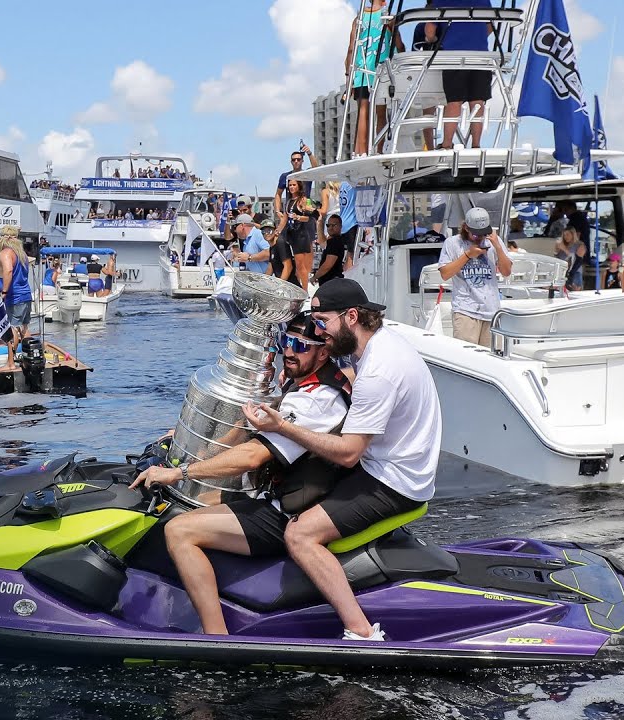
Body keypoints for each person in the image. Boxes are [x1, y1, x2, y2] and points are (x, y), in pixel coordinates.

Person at [243, 279, 442, 641]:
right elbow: (353, 377)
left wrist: (283, 426)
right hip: (398, 464)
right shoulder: (379, 344)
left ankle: (360, 630)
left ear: (351, 316)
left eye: (323, 322)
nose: (320, 333)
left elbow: (350, 454)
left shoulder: (379, 370)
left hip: (393, 481)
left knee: (300, 534)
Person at [132, 313, 352, 635]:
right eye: (285, 342)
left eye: (300, 345)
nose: (288, 352)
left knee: (179, 531)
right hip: (276, 496)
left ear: (322, 352)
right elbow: (241, 433)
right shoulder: (300, 383)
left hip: (288, 513)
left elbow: (252, 456)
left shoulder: (319, 399)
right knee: (193, 504)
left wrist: (180, 472)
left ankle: (216, 636)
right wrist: (184, 445)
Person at [438, 207, 511, 345]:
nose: (480, 238)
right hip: (465, 311)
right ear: (466, 228)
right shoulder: (453, 243)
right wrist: (467, 255)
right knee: (466, 358)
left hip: (492, 311)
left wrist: (498, 247)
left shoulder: (494, 241)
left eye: (484, 234)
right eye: (476, 235)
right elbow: (445, 274)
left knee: (491, 359)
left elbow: (506, 272)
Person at [430, 0, 494, 148]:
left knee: (454, 101)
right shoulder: (484, 1)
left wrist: (434, 40)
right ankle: (476, 145)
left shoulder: (439, 1)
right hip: (479, 54)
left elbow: (429, 30)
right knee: (477, 101)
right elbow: (490, 26)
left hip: (453, 55)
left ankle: (446, 145)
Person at [344, 0, 403, 156]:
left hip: (361, 70)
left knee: (363, 111)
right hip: (381, 69)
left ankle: (360, 151)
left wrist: (348, 77)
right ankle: (379, 150)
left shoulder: (358, 19)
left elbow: (351, 49)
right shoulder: (388, 17)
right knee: (380, 113)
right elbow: (399, 44)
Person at [0, 225, 33, 369]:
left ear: (3, 238)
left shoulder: (5, 253)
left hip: (14, 297)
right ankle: (30, 359)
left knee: (12, 329)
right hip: (26, 295)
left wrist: (4, 292)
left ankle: (10, 363)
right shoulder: (22, 254)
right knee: (25, 328)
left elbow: (8, 271)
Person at [276, 179, 320, 289]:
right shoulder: (289, 201)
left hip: (300, 234)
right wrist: (278, 231)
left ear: (298, 186)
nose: (291, 187)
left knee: (300, 265)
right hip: (291, 233)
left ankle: (305, 289)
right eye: (290, 185)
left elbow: (308, 218)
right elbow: (285, 218)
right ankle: (298, 287)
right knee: (296, 264)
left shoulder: (303, 200)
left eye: (294, 185)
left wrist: (298, 217)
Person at [274, 146, 319, 219]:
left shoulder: (307, 174)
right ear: (291, 161)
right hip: (290, 210)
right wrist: (277, 211)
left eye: (298, 159)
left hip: (305, 209)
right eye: (294, 160)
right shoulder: (286, 176)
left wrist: (309, 153)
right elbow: (278, 194)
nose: (296, 161)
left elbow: (316, 169)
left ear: (302, 161)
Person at [312, 214, 348, 286]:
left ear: (340, 226)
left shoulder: (335, 242)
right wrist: (319, 224)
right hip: (330, 283)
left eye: (334, 225)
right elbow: (322, 243)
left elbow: (328, 264)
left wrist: (315, 276)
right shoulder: (333, 241)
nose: (330, 228)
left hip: (331, 283)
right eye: (328, 225)